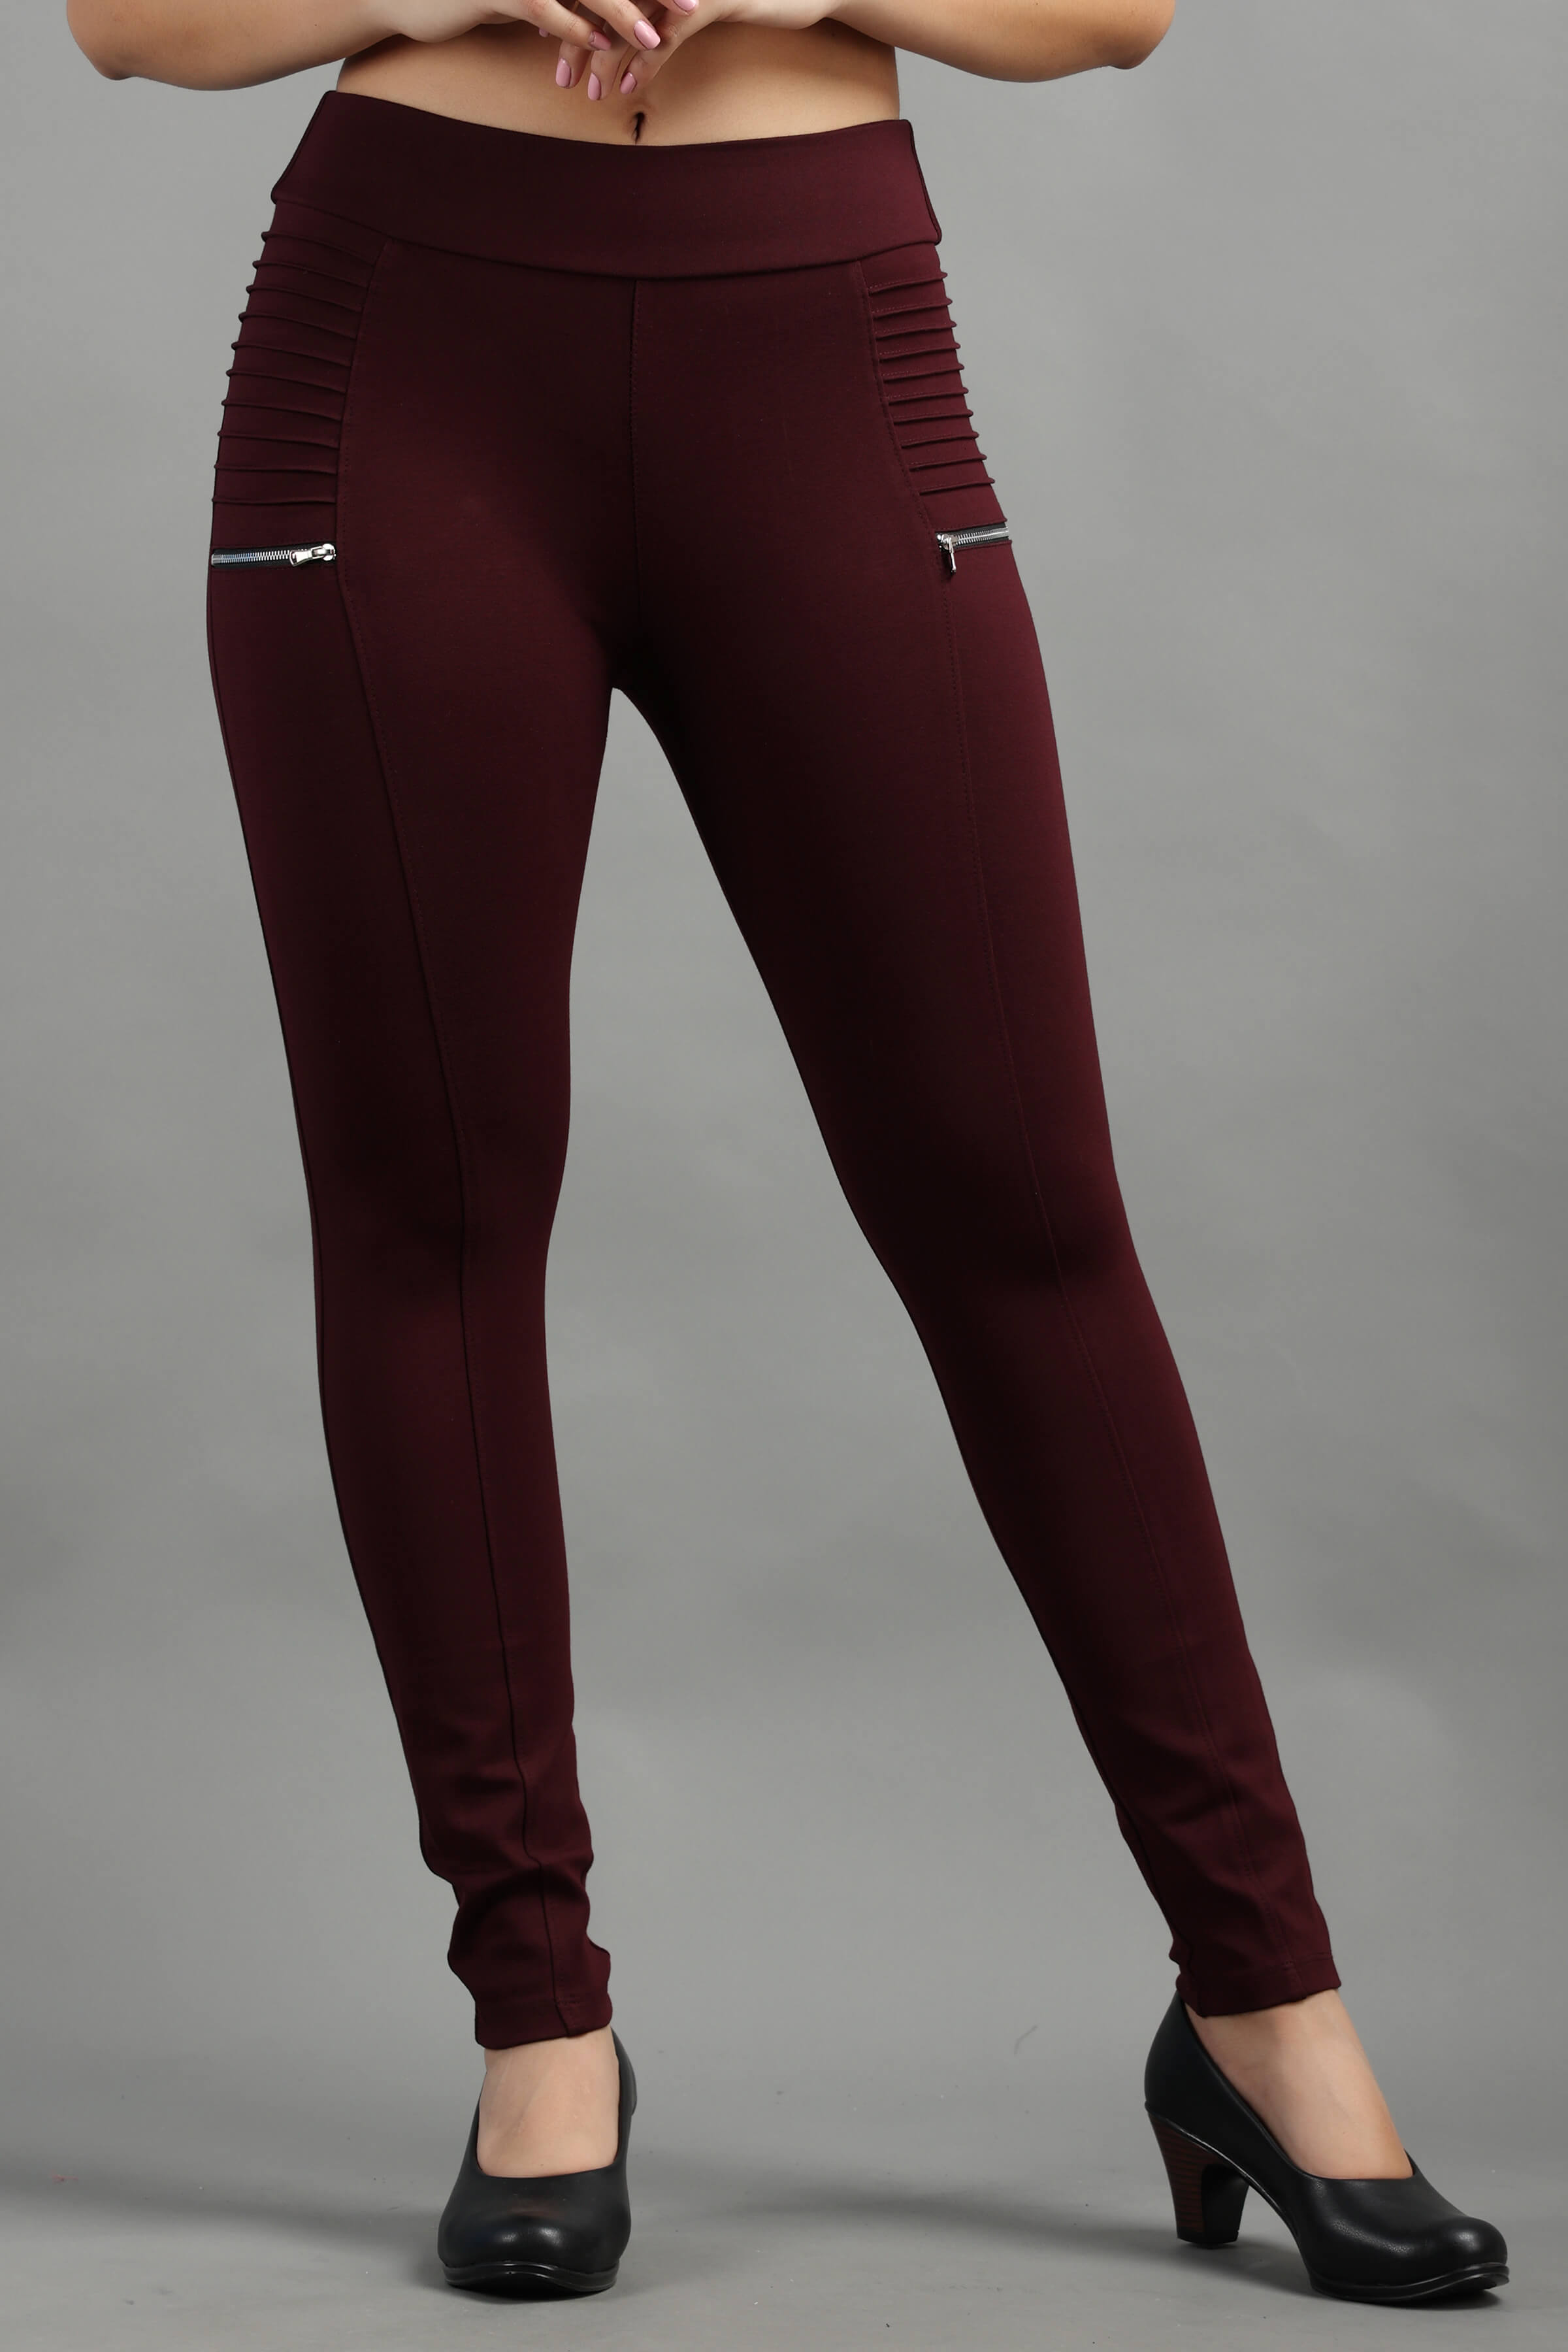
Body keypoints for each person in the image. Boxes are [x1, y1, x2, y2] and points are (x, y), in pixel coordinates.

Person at [65, 0, 1508, 2307]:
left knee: (1023, 1211)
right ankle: (540, 2019)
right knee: (431, 1213)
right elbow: (127, 22)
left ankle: (1264, 1996)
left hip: (820, 342)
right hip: (401, 351)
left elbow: (1111, 11)